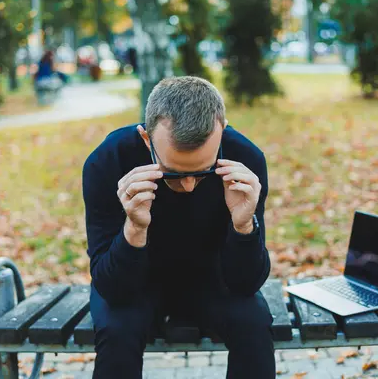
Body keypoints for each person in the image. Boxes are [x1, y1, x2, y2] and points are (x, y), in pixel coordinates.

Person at [82, 76, 275, 379]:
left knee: (254, 322)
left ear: (221, 132)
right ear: (147, 139)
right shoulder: (108, 161)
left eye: (203, 172)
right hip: (136, 280)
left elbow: (246, 284)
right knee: (117, 330)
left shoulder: (246, 159)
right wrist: (133, 229)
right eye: (171, 173)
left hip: (214, 276)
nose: (187, 184)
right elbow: (111, 288)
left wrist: (243, 225)